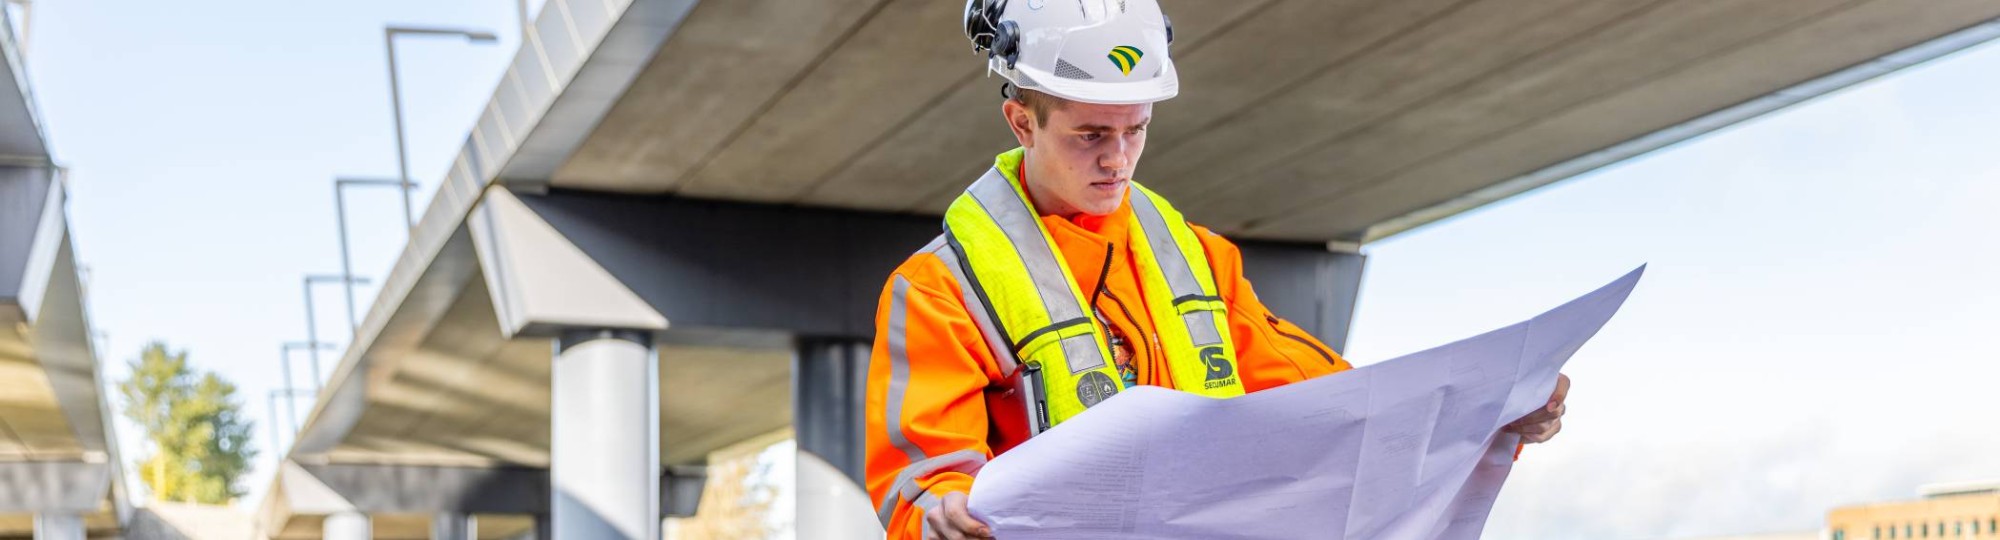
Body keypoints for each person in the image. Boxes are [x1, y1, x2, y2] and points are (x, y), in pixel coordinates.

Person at [865, 1, 1570, 538]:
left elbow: (1330, 407)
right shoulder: (938, 291)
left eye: (1135, 129)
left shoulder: (1200, 260)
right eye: (1090, 136)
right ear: (1022, 122)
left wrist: (1494, 414)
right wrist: (940, 509)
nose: (1117, 159)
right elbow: (919, 479)